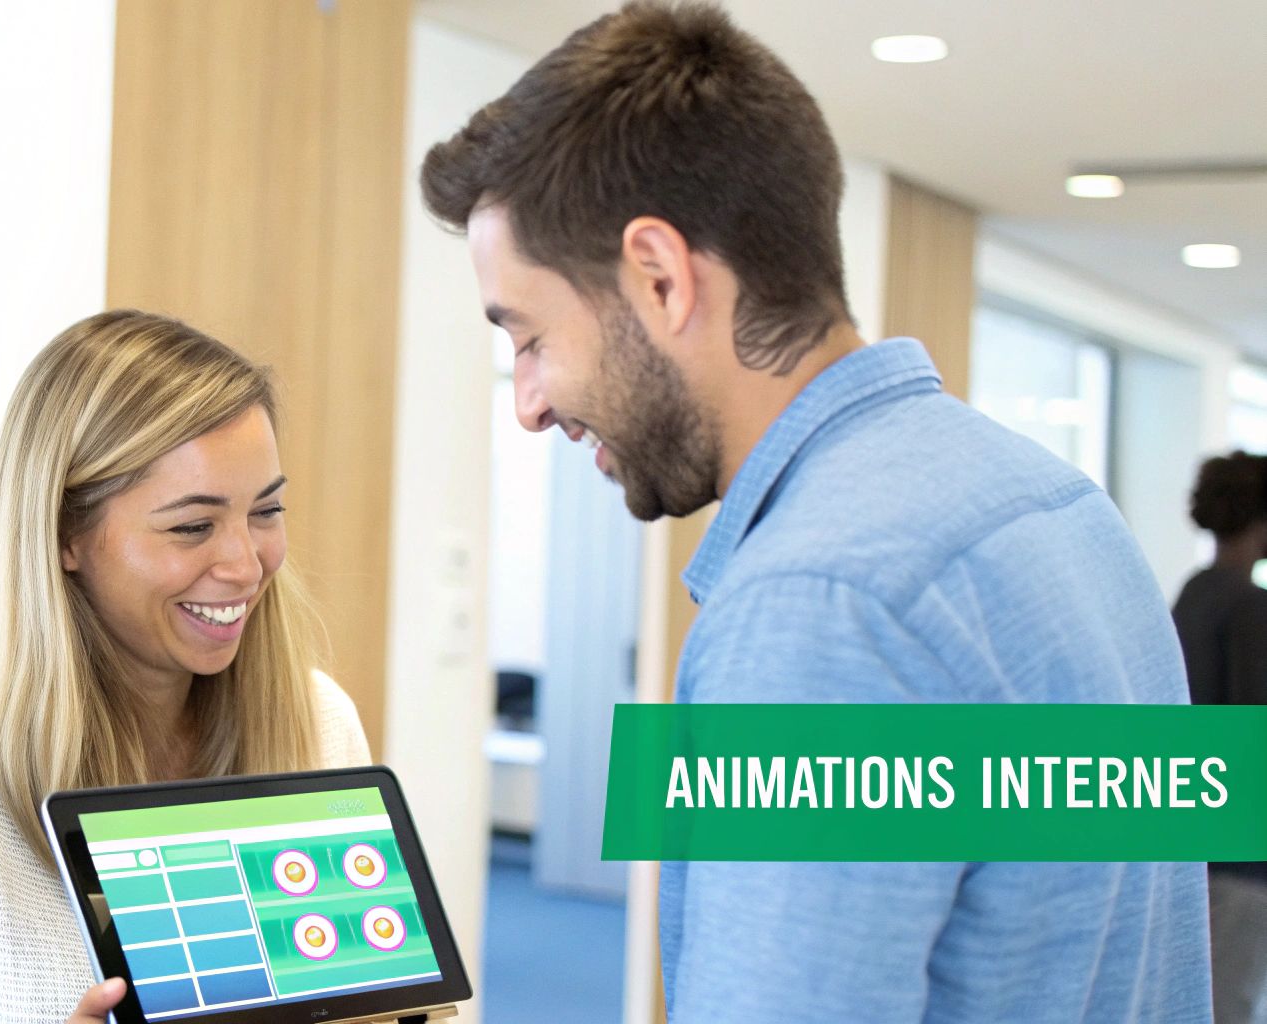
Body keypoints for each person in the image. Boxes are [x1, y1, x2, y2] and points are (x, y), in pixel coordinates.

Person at [420, 2, 1210, 1021]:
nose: (526, 402)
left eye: (526, 336)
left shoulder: (814, 605)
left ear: (658, 278)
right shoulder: (1058, 507)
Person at [0, 309, 371, 1024]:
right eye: (192, 526)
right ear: (65, 533)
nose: (247, 565)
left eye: (266, 512)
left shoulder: (319, 721)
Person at [1174, 450, 1267, 1024]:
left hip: (1191, 848)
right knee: (1231, 1006)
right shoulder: (1251, 608)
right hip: (1240, 864)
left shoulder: (1194, 593)